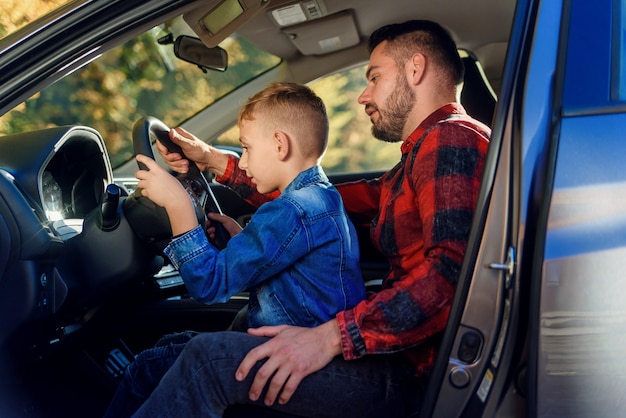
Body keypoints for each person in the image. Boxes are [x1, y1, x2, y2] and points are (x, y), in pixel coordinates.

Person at [119, 19, 491, 417]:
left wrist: (331, 337)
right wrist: (214, 162)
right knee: (159, 360)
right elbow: (312, 199)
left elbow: (453, 277)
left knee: (208, 359)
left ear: (415, 69)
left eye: (374, 77)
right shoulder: (413, 162)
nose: (363, 96)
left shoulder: (451, 139)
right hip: (389, 356)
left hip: (406, 374)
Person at [104, 82, 366, 417]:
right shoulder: (322, 198)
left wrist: (178, 205)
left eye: (246, 149)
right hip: (298, 338)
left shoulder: (292, 209)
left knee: (144, 369)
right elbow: (284, 265)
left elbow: (209, 285)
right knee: (168, 348)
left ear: (280, 145)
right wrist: (240, 239)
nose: (242, 164)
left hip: (298, 360)